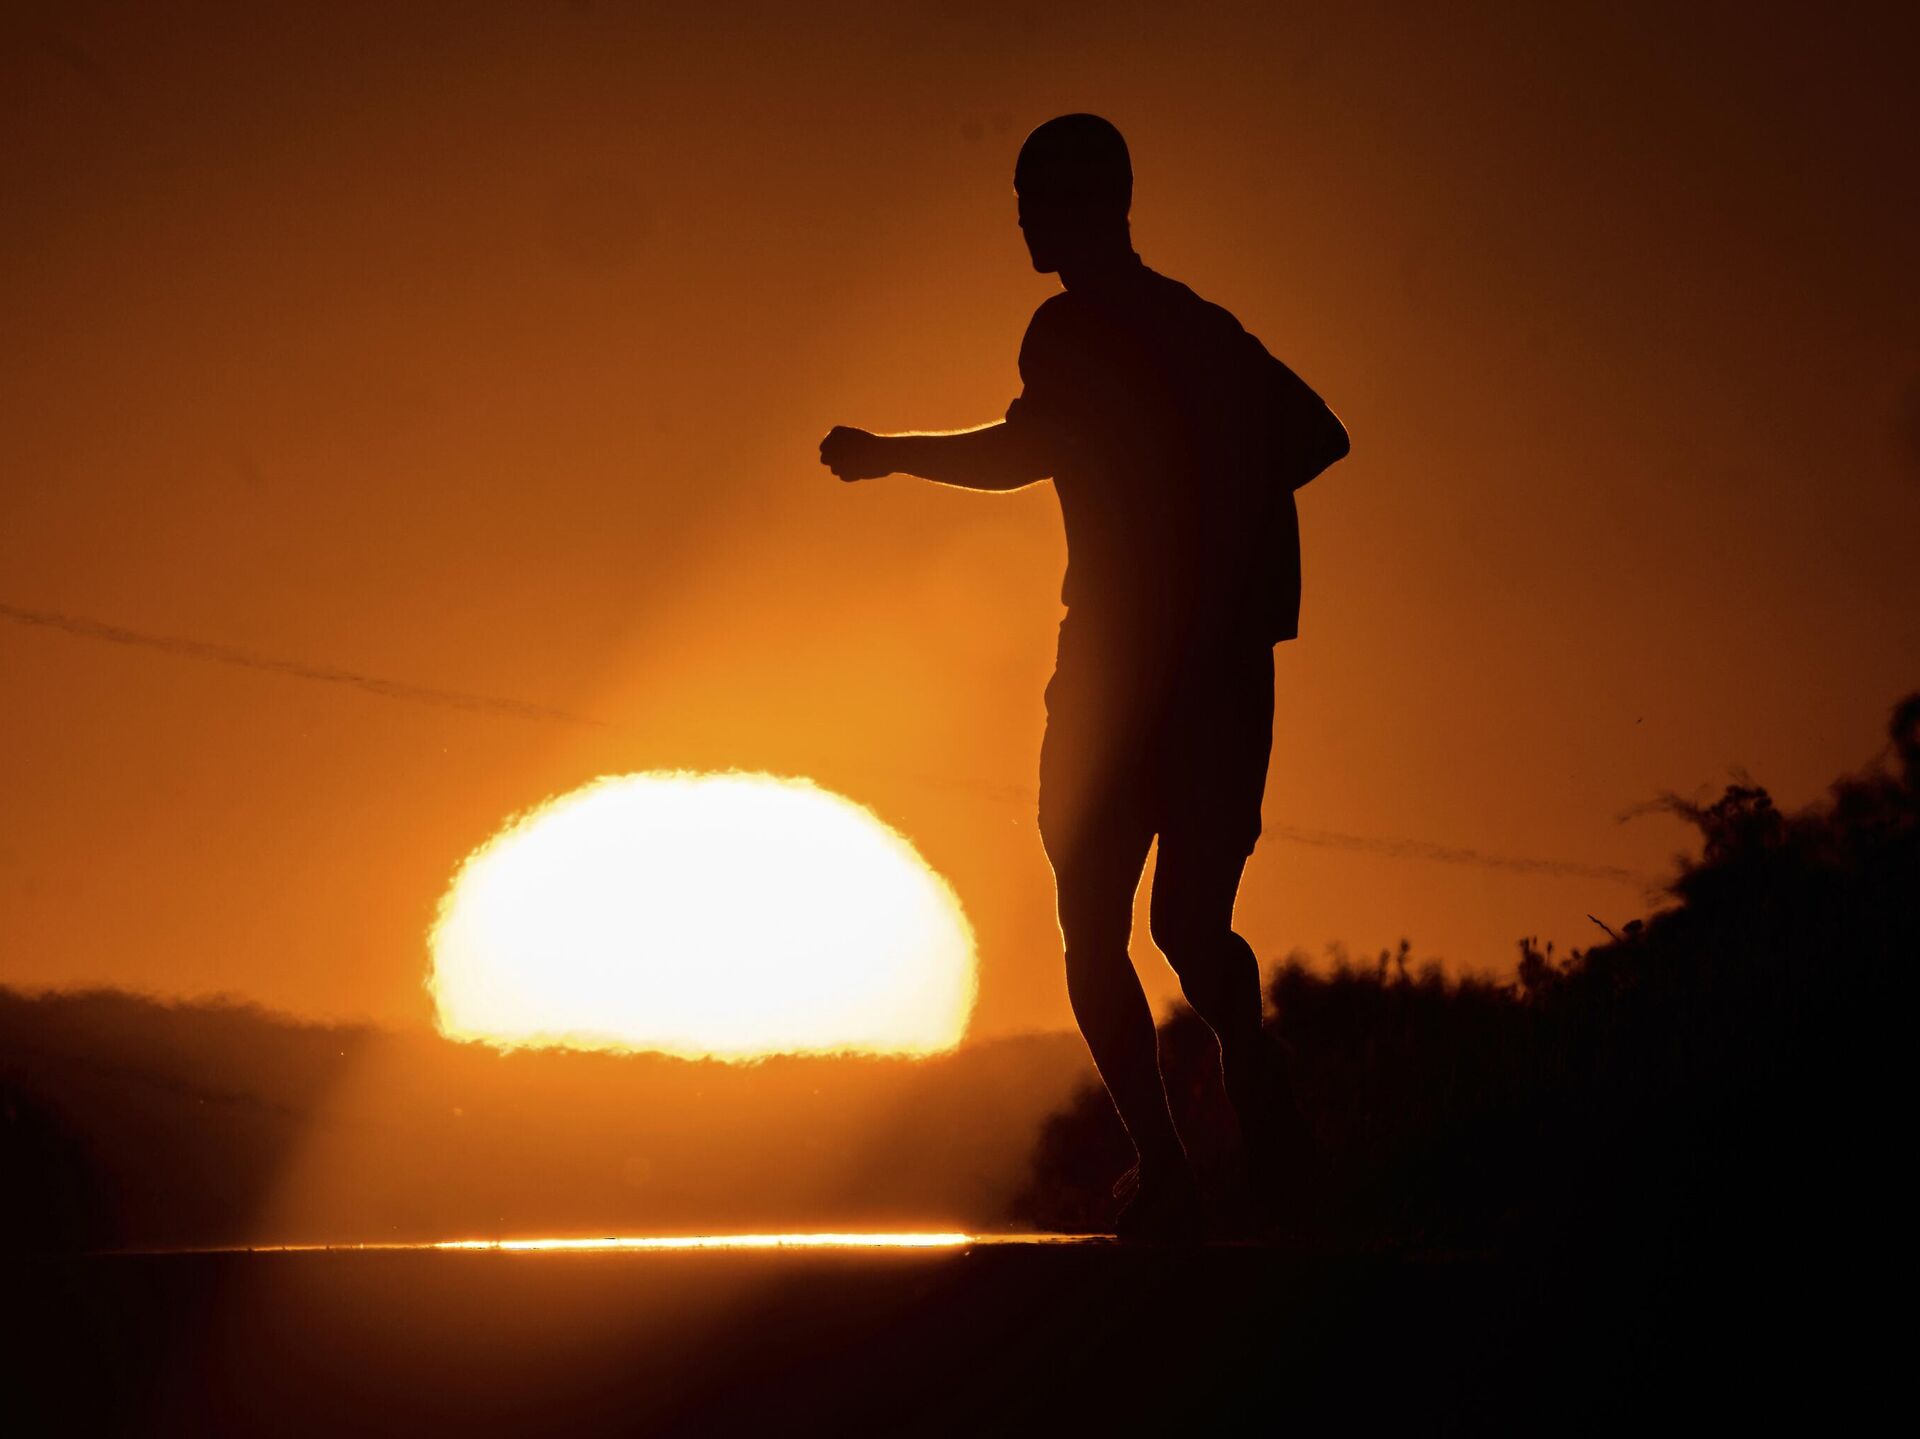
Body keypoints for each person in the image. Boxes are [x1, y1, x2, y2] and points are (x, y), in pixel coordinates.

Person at [820, 113, 1348, 1240]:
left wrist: (892, 454)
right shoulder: (1201, 324)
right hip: (1223, 670)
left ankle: (1171, 1165)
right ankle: (1258, 1123)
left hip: (1128, 664)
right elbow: (1313, 435)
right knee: (1191, 926)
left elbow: (1033, 448)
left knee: (1098, 921)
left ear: (1088, 207)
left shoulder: (1073, 326)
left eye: (1035, 203)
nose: (1022, 224)